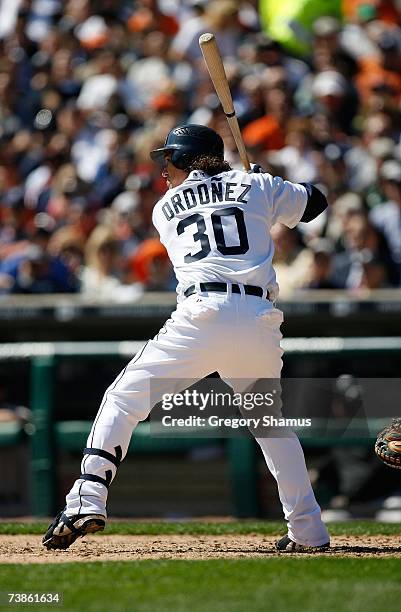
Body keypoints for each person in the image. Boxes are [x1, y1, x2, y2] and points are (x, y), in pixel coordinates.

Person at [43, 124, 330, 553]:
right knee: (269, 425)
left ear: (187, 160)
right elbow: (316, 203)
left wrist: (256, 186)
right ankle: (308, 531)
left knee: (125, 398)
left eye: (170, 160)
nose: (164, 171)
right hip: (257, 318)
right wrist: (271, 183)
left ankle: (86, 498)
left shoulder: (165, 207)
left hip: (202, 315)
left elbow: (217, 209)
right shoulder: (257, 184)